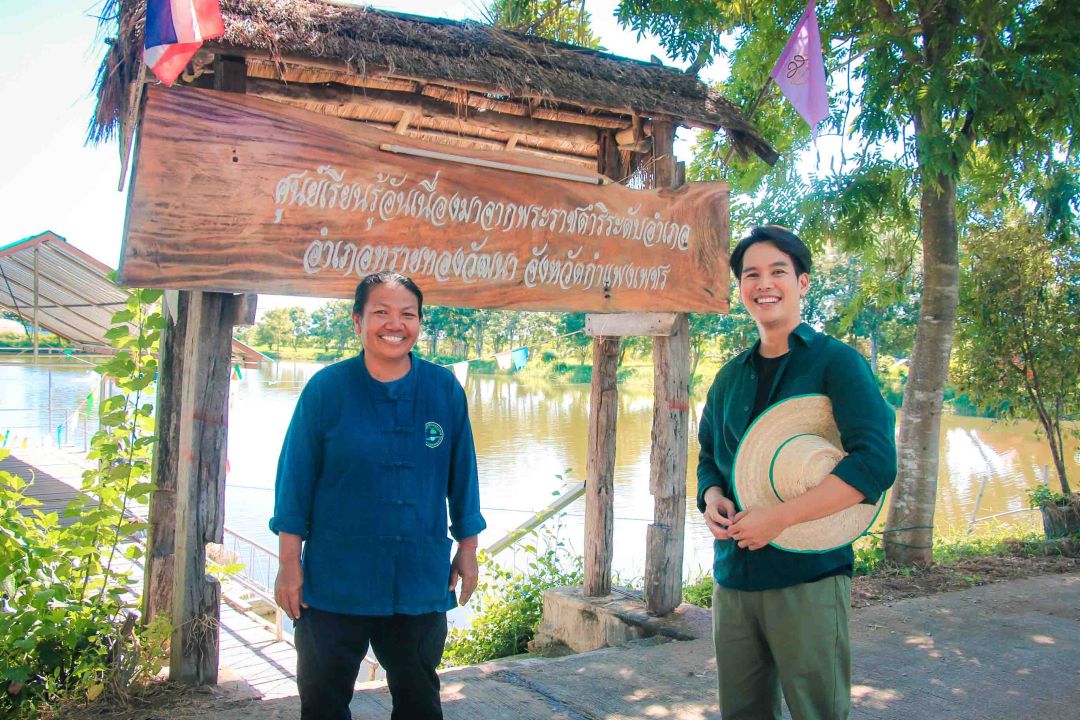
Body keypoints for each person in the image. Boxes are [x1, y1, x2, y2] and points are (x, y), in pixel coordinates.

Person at [696, 225, 897, 720]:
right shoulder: (729, 376)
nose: (764, 284)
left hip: (808, 578)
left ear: (803, 282)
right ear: (741, 288)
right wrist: (711, 496)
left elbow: (875, 463)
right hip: (734, 577)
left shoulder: (837, 363)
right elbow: (707, 457)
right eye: (751, 275)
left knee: (817, 712)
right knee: (741, 713)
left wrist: (780, 518)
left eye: (778, 272)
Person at [271, 271, 486, 720]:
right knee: (323, 702)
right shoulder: (326, 390)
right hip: (335, 582)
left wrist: (468, 549)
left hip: (417, 578)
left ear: (420, 323)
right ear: (357, 322)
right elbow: (294, 483)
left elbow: (462, 475)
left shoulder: (443, 389)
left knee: (419, 699)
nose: (395, 324)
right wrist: (290, 565)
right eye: (381, 313)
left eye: (407, 314)